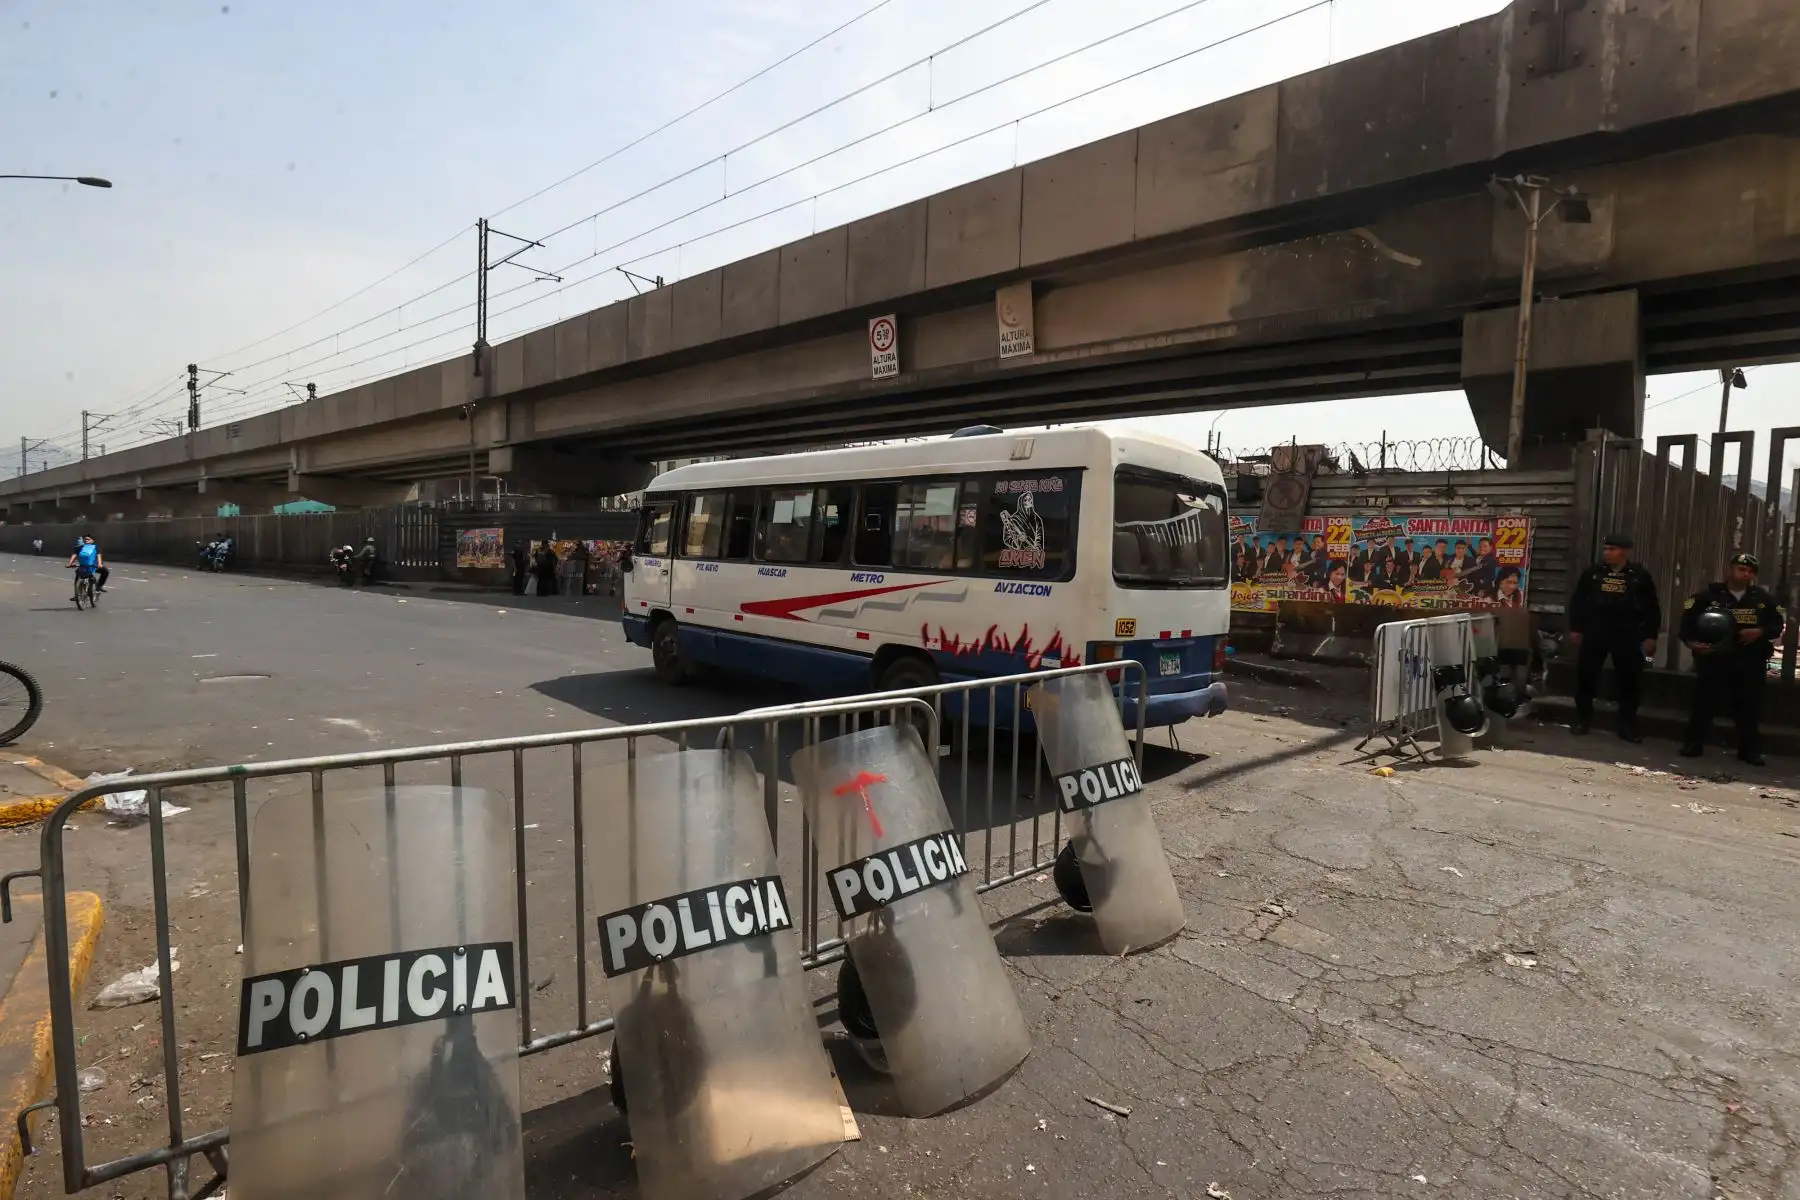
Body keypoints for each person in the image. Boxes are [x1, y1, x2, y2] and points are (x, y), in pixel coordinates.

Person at [1679, 552, 1784, 765]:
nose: (1745, 574)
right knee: (1704, 703)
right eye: (1741, 569)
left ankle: (1749, 751)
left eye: (1750, 571)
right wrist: (1692, 644)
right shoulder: (1707, 596)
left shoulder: (1762, 600)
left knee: (1749, 706)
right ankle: (1693, 744)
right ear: (1730, 569)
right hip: (1714, 659)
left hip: (1749, 661)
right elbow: (1687, 623)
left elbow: (1776, 625)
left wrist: (1759, 632)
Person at [1567, 533, 1661, 741]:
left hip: (1627, 633)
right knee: (1586, 677)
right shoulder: (1593, 573)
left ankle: (1627, 725)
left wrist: (1650, 636)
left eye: (1612, 549)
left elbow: (1652, 608)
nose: (1607, 553)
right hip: (1595, 631)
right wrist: (1576, 629)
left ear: (1625, 551)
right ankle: (1582, 720)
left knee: (1629, 681)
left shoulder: (1638, 575)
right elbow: (1578, 602)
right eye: (1605, 549)